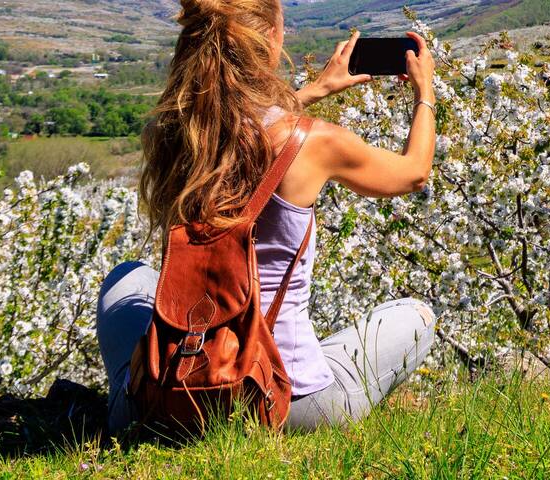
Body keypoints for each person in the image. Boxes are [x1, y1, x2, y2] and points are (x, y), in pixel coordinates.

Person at [95, 0, 439, 432]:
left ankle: (132, 402)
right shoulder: (313, 142)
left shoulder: (173, 132)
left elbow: (232, 131)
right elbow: (413, 174)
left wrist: (312, 91)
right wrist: (425, 93)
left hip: (172, 393)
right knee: (415, 316)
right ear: (272, 41)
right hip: (285, 402)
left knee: (127, 278)